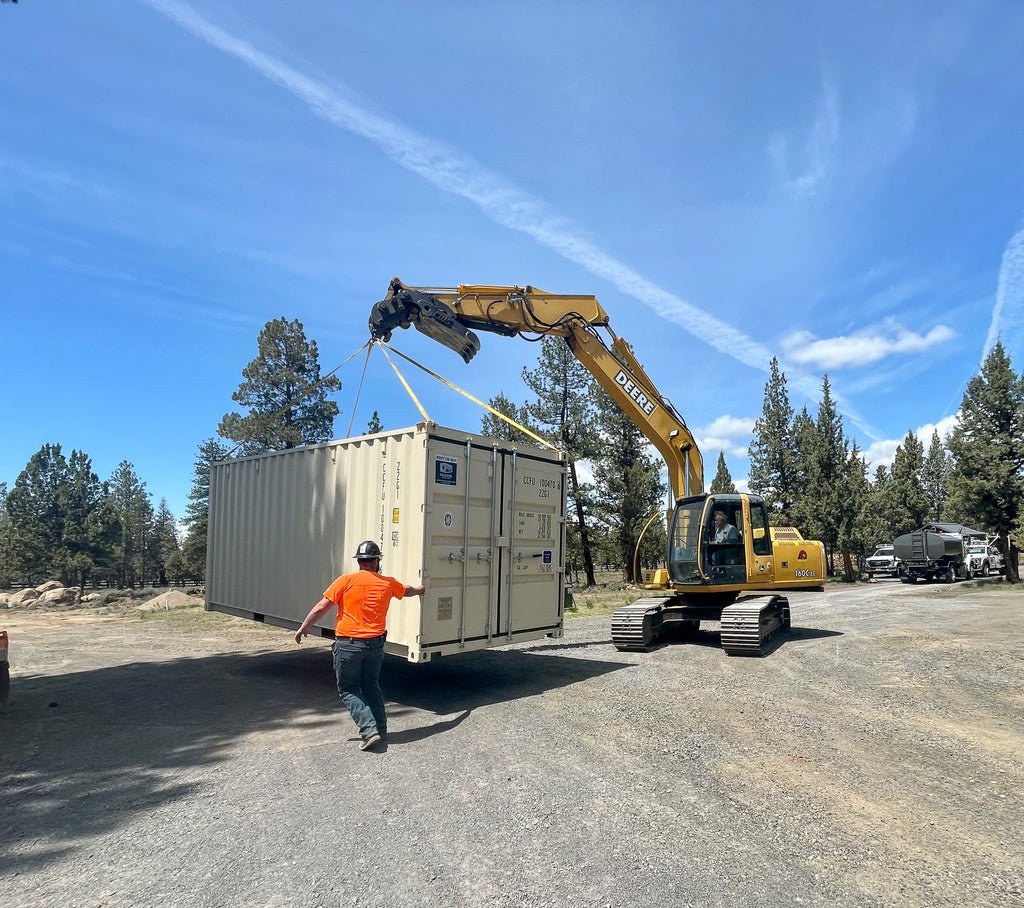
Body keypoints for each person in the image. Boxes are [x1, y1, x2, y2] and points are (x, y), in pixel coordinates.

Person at [294, 539, 425, 752]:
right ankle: (380, 731)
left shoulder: (345, 581)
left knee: (348, 688)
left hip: (348, 646)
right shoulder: (388, 582)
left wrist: (304, 626)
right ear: (376, 562)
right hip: (375, 645)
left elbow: (321, 607)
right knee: (371, 685)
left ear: (360, 562)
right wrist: (420, 590)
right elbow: (407, 590)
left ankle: (369, 730)